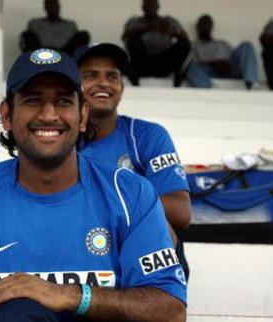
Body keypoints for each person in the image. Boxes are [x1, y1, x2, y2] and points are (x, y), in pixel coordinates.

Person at [0, 48, 187, 322]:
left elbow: (170, 309)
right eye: (32, 100)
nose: (49, 115)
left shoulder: (131, 192)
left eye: (63, 101)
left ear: (83, 115)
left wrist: (69, 295)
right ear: (6, 115)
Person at [73, 43, 192, 278]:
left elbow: (180, 211)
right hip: (77, 250)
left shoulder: (147, 135)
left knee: (160, 227)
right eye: (91, 75)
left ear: (121, 86)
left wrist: (101, 200)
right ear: (74, 86)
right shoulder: (60, 138)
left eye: (112, 76)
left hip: (134, 251)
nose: (104, 83)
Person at [122, 0, 192, 87]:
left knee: (184, 43)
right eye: (148, 4)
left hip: (164, 62)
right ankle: (134, 80)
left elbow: (185, 37)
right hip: (142, 63)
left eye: (153, 3)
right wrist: (149, 28)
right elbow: (125, 35)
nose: (150, 6)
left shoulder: (168, 21)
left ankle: (178, 77)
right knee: (131, 39)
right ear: (143, 6)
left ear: (158, 6)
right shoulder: (135, 21)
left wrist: (173, 32)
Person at [186, 14, 258, 89]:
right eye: (202, 24)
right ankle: (207, 87)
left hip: (228, 70)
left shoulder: (222, 43)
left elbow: (237, 58)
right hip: (207, 73)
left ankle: (250, 81)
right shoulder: (193, 45)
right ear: (197, 27)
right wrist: (213, 64)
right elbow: (192, 63)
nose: (205, 27)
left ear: (211, 27)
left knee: (246, 45)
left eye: (207, 24)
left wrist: (225, 64)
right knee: (188, 65)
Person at [20, 0, 90, 55]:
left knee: (84, 34)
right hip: (41, 53)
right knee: (26, 35)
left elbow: (76, 46)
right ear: (45, 7)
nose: (52, 6)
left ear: (59, 6)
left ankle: (63, 56)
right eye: (49, 3)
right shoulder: (34, 23)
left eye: (54, 3)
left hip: (66, 53)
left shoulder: (70, 25)